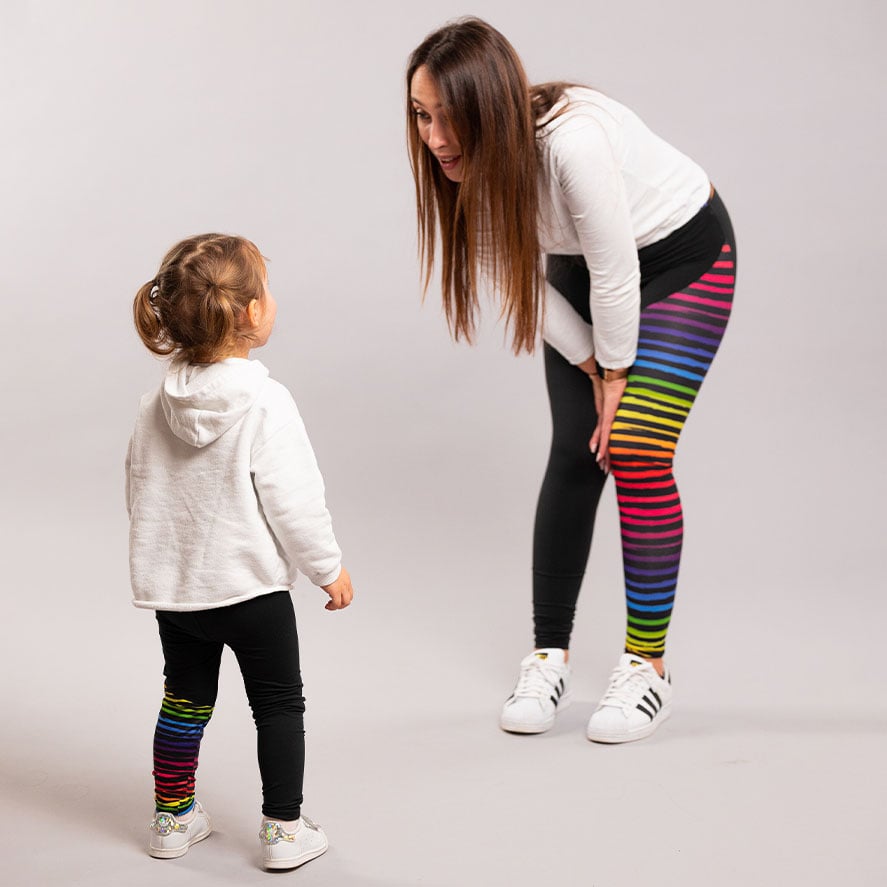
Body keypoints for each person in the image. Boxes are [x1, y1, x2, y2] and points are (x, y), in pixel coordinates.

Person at [406, 19, 735, 743]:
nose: (435, 138)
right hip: (583, 265)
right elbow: (515, 271)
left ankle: (647, 668)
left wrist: (616, 376)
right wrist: (591, 362)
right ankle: (547, 658)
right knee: (576, 450)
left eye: (449, 116)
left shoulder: (572, 142)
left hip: (681, 255)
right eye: (422, 115)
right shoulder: (461, 166)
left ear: (490, 105)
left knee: (636, 447)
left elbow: (618, 270)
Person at [126, 234, 354, 869]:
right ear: (252, 311)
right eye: (267, 290)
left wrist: (161, 566)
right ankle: (283, 829)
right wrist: (328, 568)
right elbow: (294, 500)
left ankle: (172, 818)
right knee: (278, 705)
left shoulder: (154, 405)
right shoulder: (266, 401)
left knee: (184, 700)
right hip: (253, 591)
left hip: (180, 596)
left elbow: (140, 488)